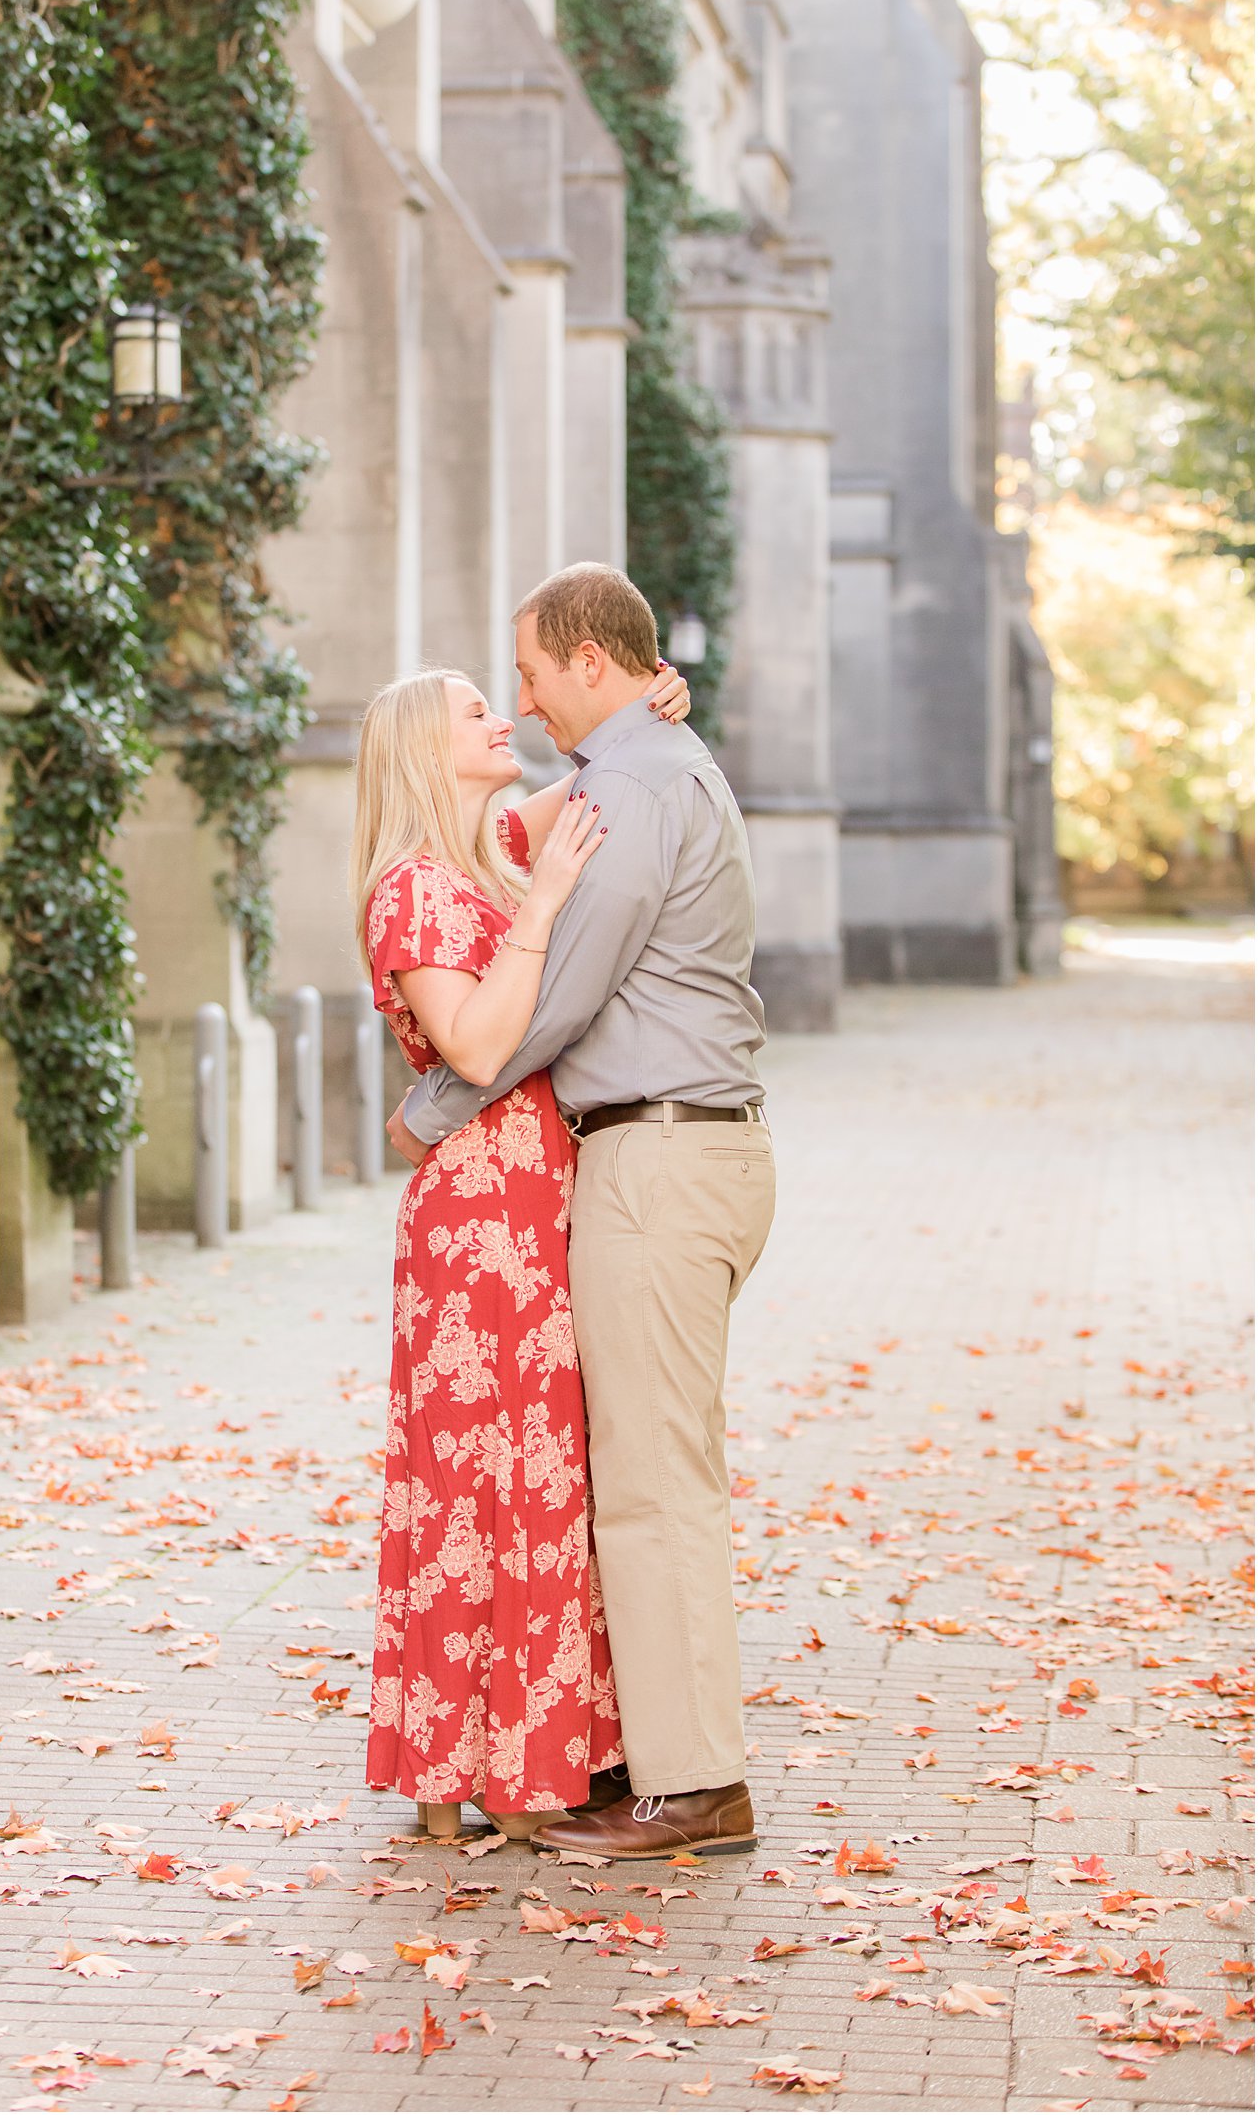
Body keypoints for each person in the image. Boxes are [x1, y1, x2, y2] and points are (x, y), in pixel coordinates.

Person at [388, 562, 775, 1860]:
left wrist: (435, 1107)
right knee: (637, 1476)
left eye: (533, 672)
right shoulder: (646, 768)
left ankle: (694, 1784)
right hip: (670, 1156)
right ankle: (644, 1762)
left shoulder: (632, 786)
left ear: (588, 665)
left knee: (652, 1487)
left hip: (661, 1161)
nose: (523, 698)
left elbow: (558, 994)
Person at [352, 656, 693, 1840]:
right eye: (475, 711)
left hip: (539, 1200)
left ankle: (528, 1760)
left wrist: (655, 700)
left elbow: (597, 769)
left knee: (541, 1478)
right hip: (476, 1220)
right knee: (473, 1491)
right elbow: (482, 1048)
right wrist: (541, 906)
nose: (505, 717)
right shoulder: (411, 892)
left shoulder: (486, 846)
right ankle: (462, 1773)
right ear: (420, 748)